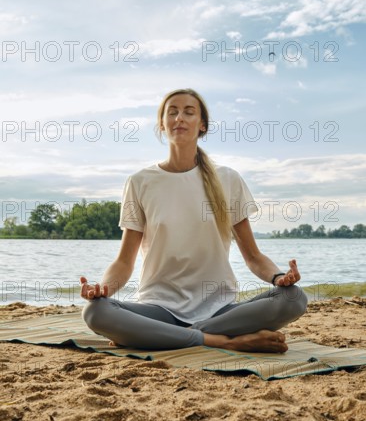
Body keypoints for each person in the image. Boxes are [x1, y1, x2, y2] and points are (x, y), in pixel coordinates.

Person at [81, 88, 307, 353]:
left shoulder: (228, 180)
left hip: (219, 310)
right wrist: (103, 289)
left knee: (293, 298)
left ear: (202, 125)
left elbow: (253, 257)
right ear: (162, 124)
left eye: (189, 112)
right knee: (96, 312)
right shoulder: (140, 182)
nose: (180, 118)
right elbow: (124, 261)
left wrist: (279, 277)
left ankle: (167, 337)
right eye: (172, 112)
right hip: (159, 308)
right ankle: (223, 341)